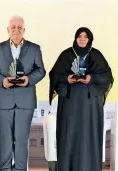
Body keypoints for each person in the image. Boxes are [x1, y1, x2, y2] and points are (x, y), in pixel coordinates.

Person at [49, 27, 114, 171]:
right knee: (69, 136)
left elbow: (107, 77)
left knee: (88, 138)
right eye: (80, 36)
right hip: (70, 104)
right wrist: (67, 78)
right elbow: (54, 75)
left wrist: (92, 78)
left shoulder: (96, 55)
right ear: (75, 38)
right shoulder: (66, 55)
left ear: (90, 38)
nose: (82, 39)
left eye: (85, 36)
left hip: (90, 106)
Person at [0, 15, 46, 171]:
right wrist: (2, 81)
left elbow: (41, 70)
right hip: (4, 101)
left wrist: (29, 79)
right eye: (13, 27)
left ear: (24, 30)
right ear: (8, 30)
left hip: (25, 101)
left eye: (19, 27)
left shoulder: (35, 48)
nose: (16, 30)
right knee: (5, 140)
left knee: (21, 141)